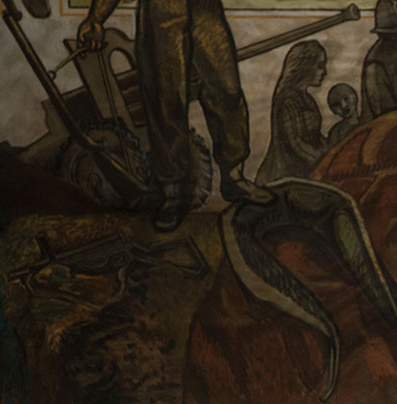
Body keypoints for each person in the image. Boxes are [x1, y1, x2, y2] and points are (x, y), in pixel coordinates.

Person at [76, 0, 272, 232]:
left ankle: (233, 177)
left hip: (205, 11)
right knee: (166, 100)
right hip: (161, 12)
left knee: (227, 91)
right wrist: (96, 17)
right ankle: (173, 193)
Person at [257, 41, 329, 184]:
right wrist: (324, 162)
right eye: (319, 66)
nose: (325, 72)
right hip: (285, 178)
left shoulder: (307, 99)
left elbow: (315, 135)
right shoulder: (288, 99)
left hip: (307, 171)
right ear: (305, 66)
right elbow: (296, 143)